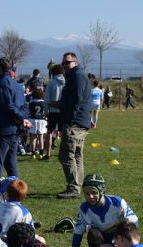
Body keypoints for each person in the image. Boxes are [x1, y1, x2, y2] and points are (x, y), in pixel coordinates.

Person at [71, 174, 138, 247]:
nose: (90, 196)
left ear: (102, 191)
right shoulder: (84, 209)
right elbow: (77, 234)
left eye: (94, 192)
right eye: (87, 193)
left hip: (119, 238)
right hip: (103, 240)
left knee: (127, 226)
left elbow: (134, 223)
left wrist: (127, 245)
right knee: (93, 233)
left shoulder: (117, 203)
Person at [0, 57, 32, 183]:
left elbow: (8, 105)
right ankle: (17, 190)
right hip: (15, 129)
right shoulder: (17, 85)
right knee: (10, 163)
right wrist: (24, 118)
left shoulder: (2, 84)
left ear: (1, 68)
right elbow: (24, 106)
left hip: (3, 129)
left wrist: (22, 117)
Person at [56, 52, 92, 199]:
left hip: (75, 123)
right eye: (63, 63)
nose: (65, 65)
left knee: (66, 154)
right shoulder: (76, 76)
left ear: (75, 62)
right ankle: (78, 184)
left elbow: (75, 102)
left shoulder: (77, 77)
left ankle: (73, 187)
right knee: (76, 155)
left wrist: (69, 121)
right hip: (80, 122)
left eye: (68, 62)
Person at [43, 64, 65, 160]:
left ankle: (48, 154)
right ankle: (64, 154)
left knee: (49, 132)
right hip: (64, 111)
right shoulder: (67, 82)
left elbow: (47, 100)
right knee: (64, 133)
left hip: (52, 112)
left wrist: (46, 111)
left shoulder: (51, 83)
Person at [28, 88, 47, 158]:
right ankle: (41, 153)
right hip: (42, 120)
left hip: (33, 120)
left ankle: (33, 153)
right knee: (41, 137)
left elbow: (29, 112)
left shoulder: (31, 102)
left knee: (33, 138)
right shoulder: (43, 103)